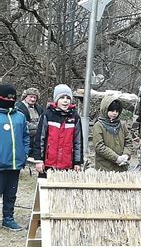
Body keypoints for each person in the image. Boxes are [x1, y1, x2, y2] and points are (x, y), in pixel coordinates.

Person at [33, 84, 83, 177]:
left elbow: (78, 142)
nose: (65, 101)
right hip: (48, 164)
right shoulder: (47, 115)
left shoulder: (75, 117)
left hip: (68, 165)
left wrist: (77, 162)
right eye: (62, 98)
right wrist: (39, 160)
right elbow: (39, 139)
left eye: (68, 98)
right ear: (56, 100)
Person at [0, 84, 29, 231]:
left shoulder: (20, 116)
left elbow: (25, 137)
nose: (10, 100)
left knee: (11, 194)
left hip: (15, 163)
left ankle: (8, 218)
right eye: (7, 97)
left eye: (13, 97)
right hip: (1, 163)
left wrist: (25, 153)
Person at [92, 96, 133, 172]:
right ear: (105, 109)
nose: (114, 113)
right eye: (112, 110)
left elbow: (128, 142)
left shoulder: (122, 125)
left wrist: (126, 155)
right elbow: (99, 146)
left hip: (122, 167)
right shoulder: (98, 125)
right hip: (104, 168)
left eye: (117, 111)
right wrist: (116, 158)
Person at [15, 87, 44, 154]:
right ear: (25, 96)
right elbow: (24, 124)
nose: (33, 99)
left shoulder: (39, 109)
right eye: (31, 97)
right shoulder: (18, 107)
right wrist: (38, 125)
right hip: (24, 139)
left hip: (37, 140)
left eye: (35, 97)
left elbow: (43, 121)